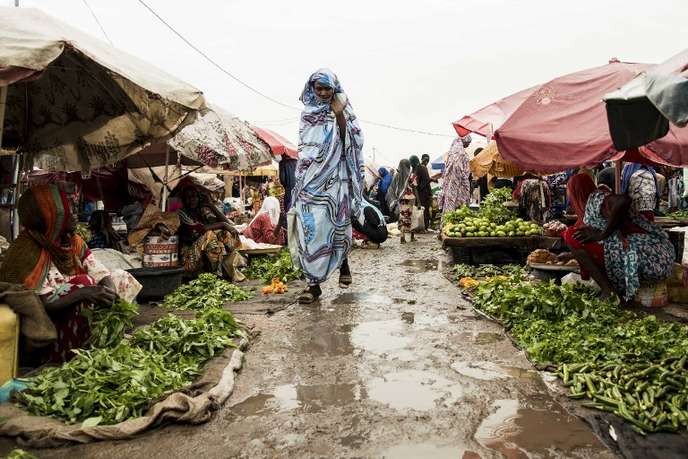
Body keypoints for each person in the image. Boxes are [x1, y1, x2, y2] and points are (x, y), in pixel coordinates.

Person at [0, 185, 118, 363]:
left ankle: (106, 347)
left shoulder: (70, 240)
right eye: (66, 212)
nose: (73, 216)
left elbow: (97, 268)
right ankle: (70, 357)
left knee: (121, 278)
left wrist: (109, 289)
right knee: (83, 283)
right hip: (49, 327)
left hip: (73, 310)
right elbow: (43, 305)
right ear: (49, 217)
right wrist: (85, 292)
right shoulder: (25, 251)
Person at [290, 69, 364, 303]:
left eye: (327, 88)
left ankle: (343, 264)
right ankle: (313, 285)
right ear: (311, 89)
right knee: (309, 228)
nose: (322, 93)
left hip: (335, 180)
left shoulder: (343, 109)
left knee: (336, 223)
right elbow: (305, 148)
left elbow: (352, 141)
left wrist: (339, 114)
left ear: (334, 88)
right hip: (309, 181)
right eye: (318, 88)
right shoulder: (307, 113)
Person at [560, 174, 674, 302]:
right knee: (575, 236)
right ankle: (612, 289)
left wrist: (602, 234)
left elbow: (624, 200)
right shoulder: (591, 207)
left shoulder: (596, 198)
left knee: (570, 235)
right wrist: (572, 255)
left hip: (645, 254)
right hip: (644, 252)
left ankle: (608, 291)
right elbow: (590, 244)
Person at [177, 184, 243, 281]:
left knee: (223, 233)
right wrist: (223, 224)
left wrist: (211, 205)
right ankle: (216, 274)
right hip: (188, 257)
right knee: (210, 235)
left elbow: (228, 223)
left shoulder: (201, 211)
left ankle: (229, 264)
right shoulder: (181, 213)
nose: (192, 199)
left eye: (194, 196)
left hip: (203, 252)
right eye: (188, 197)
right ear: (183, 199)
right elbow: (200, 229)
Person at [439, 137, 471, 217]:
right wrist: (464, 181)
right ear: (464, 141)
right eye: (468, 142)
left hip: (450, 187)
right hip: (458, 185)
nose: (469, 144)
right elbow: (458, 169)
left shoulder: (452, 153)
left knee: (451, 207)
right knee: (458, 208)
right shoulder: (460, 153)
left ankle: (448, 224)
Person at [411, 155, 432, 230]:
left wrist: (419, 187)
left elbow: (425, 180)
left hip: (422, 193)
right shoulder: (418, 168)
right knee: (421, 210)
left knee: (423, 210)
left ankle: (423, 226)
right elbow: (416, 179)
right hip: (420, 193)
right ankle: (421, 226)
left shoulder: (420, 168)